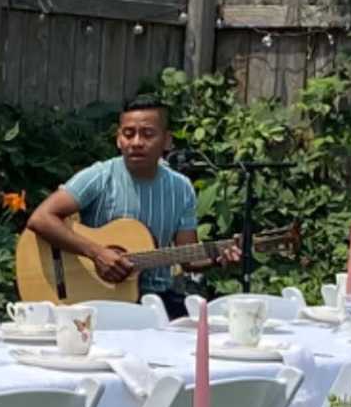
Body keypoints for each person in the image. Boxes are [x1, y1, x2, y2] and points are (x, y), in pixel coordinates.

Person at [27, 97, 232, 314]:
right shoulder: (99, 176)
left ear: (167, 140)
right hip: (100, 299)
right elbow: (41, 218)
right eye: (128, 134)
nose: (136, 142)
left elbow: (188, 257)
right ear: (118, 139)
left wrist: (219, 257)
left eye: (147, 134)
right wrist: (97, 253)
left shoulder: (181, 188)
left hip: (159, 300)